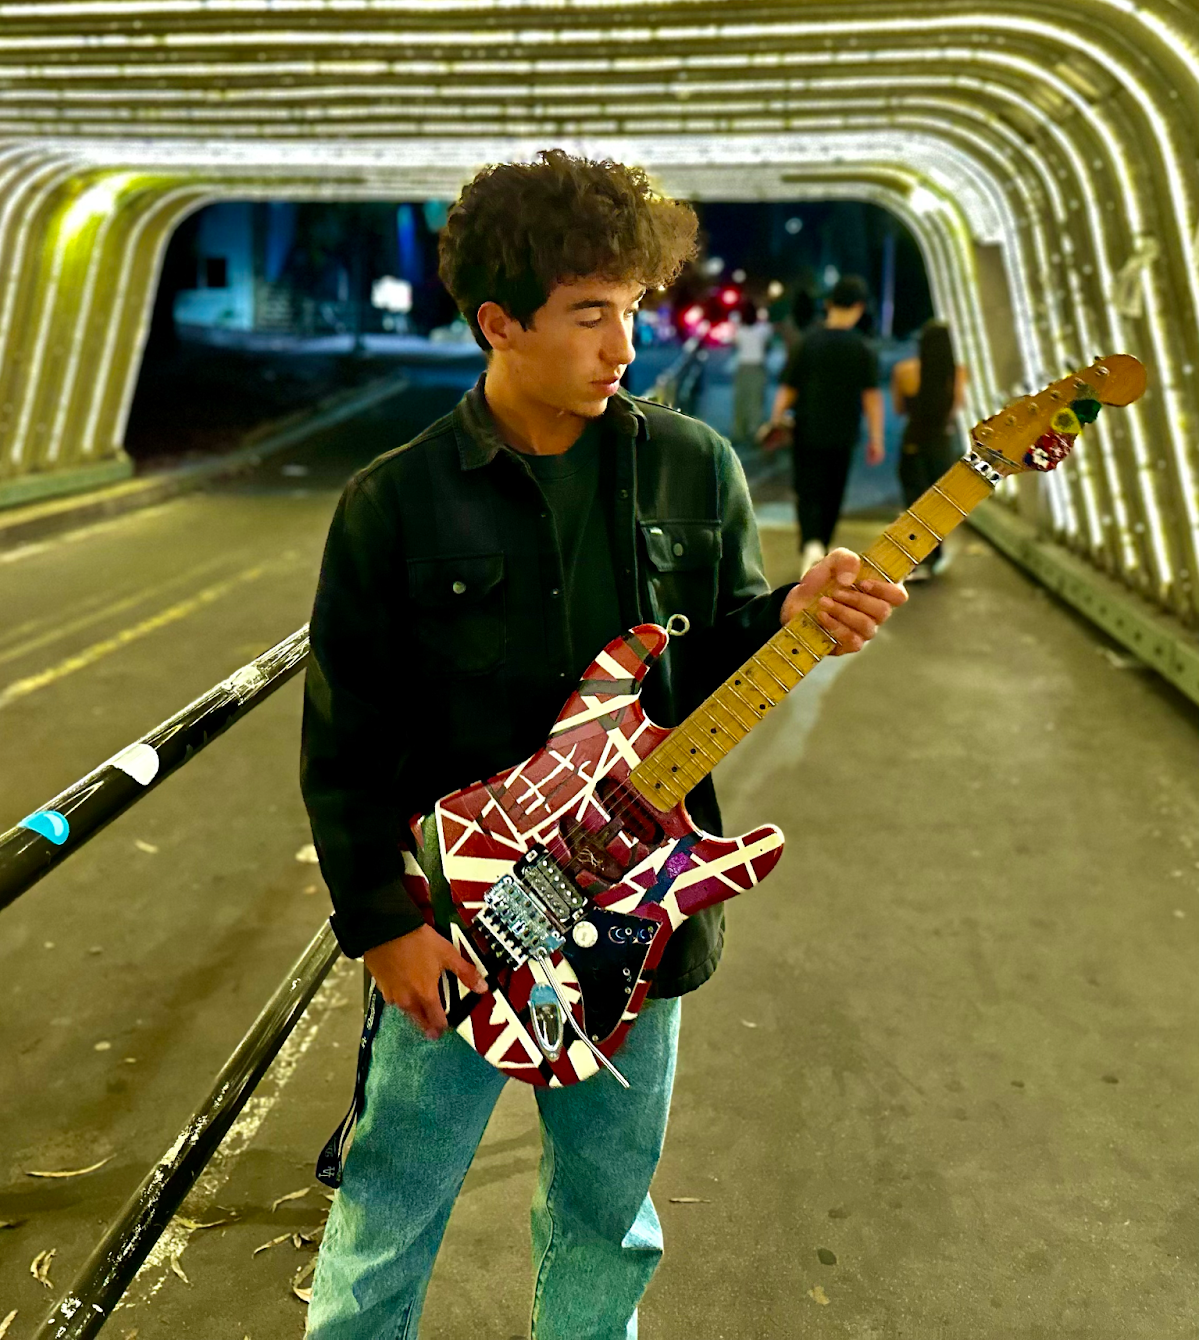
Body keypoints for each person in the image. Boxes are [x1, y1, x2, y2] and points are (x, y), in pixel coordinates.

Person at [299, 150, 907, 1340]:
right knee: (387, 1212)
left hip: (639, 924)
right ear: (498, 322)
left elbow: (717, 654)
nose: (622, 345)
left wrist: (792, 619)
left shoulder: (690, 465)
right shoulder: (396, 501)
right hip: (461, 923)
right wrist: (381, 923)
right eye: (589, 314)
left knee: (606, 1214)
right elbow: (346, 737)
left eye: (630, 309)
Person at [764, 275, 885, 574]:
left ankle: (811, 543)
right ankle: (822, 546)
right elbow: (871, 399)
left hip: (807, 430)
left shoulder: (807, 343)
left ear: (829, 304)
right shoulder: (862, 348)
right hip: (844, 434)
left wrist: (775, 420)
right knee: (833, 491)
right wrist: (876, 439)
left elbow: (788, 389)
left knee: (807, 491)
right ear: (858, 307)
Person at [891, 318, 968, 579]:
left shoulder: (904, 371)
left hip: (913, 443)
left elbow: (899, 408)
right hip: (941, 444)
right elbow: (956, 407)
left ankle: (917, 560)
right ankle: (935, 555)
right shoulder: (957, 374)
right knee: (938, 505)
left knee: (914, 503)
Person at [728, 304, 774, 445]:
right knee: (756, 400)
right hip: (757, 367)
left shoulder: (739, 330)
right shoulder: (764, 329)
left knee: (740, 400)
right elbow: (768, 346)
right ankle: (755, 432)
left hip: (743, 367)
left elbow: (735, 345)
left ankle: (739, 431)